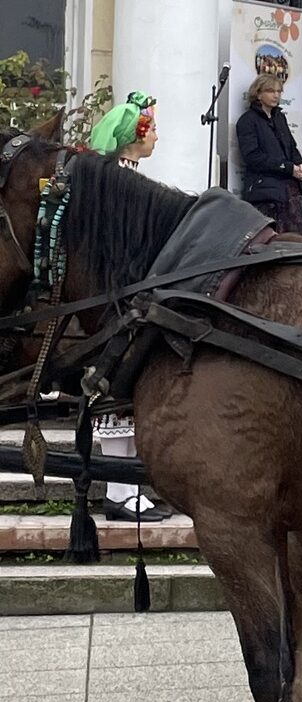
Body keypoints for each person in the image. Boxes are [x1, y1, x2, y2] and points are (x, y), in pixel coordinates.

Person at [86, 92, 171, 522]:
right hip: (118, 298)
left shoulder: (127, 177)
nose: (157, 135)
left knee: (129, 399)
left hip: (133, 295)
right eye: (152, 128)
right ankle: (119, 491)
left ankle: (130, 487)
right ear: (132, 136)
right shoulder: (116, 183)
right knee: (117, 399)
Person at [235, 73, 302, 234]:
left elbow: (291, 145)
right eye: (270, 91)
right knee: (271, 240)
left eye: (279, 91)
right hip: (265, 192)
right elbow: (253, 157)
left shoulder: (279, 117)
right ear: (258, 94)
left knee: (294, 240)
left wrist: (299, 164)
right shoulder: (247, 120)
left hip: (288, 190)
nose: (276, 95)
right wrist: (288, 168)